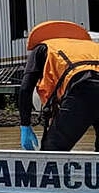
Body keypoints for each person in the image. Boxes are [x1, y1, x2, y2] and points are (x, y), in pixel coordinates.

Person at [18, 21, 99, 151]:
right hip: (83, 86)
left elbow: (25, 88)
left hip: (82, 88)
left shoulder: (42, 47)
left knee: (53, 153)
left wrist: (25, 125)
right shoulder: (91, 46)